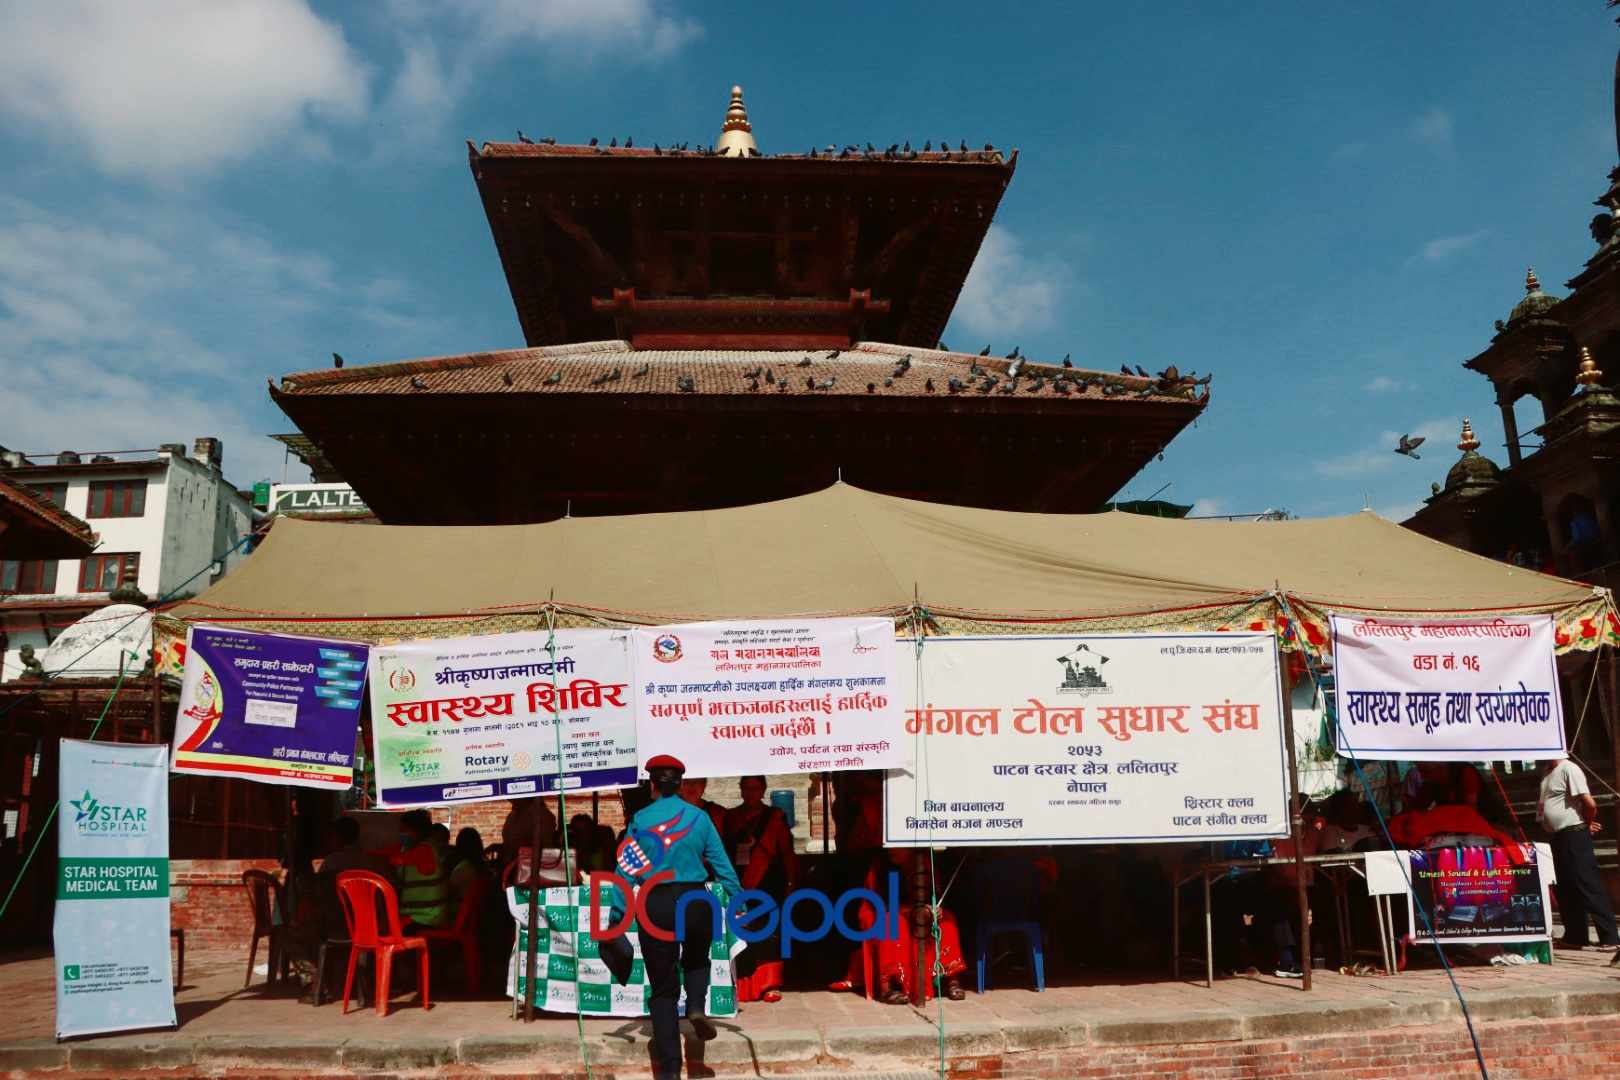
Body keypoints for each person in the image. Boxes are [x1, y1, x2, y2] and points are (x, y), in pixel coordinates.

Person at [614, 755, 741, 1080]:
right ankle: (696, 1006)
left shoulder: (641, 820)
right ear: (680, 784)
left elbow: (625, 872)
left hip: (656, 901)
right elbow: (722, 865)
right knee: (696, 961)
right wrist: (738, 899)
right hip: (696, 899)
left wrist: (616, 914)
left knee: (663, 989)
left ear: (652, 785)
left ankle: (670, 1069)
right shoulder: (699, 817)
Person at [722, 775, 799, 1003]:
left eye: (755, 788)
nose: (750, 793)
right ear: (740, 790)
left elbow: (786, 852)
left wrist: (791, 882)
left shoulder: (775, 817)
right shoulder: (731, 817)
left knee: (769, 934)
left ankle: (770, 985)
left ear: (763, 790)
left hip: (768, 882)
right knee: (740, 932)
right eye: (746, 788)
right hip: (737, 881)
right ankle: (742, 984)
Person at [1537, 757, 1619, 951]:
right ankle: (1575, 936)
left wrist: (1587, 823)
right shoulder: (1547, 771)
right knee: (1565, 886)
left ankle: (1610, 937)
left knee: (1587, 883)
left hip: (1574, 833)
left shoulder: (1569, 768)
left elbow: (1589, 803)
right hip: (1557, 835)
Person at [376, 809, 452, 931]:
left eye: (405, 830)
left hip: (426, 917)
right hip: (419, 914)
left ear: (418, 831)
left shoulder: (425, 850)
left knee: (383, 927)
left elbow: (398, 859)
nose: (401, 833)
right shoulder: (412, 849)